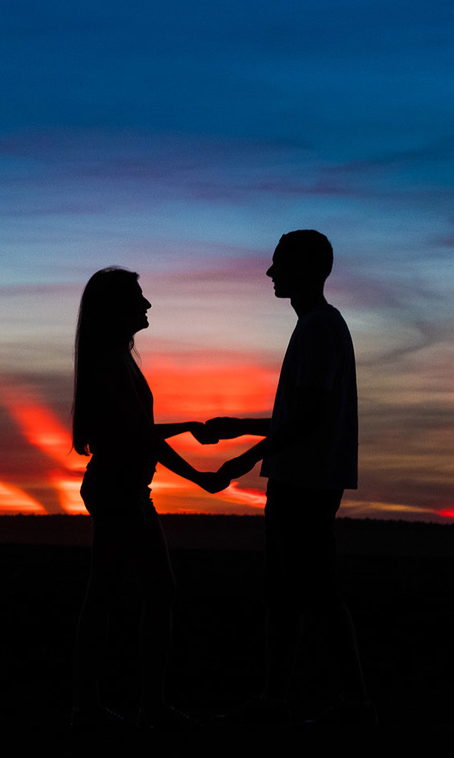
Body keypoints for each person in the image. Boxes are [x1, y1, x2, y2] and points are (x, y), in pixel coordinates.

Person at [205, 230, 374, 726]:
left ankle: (354, 703)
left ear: (307, 269)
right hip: (302, 478)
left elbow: (308, 418)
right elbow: (299, 411)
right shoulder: (318, 327)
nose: (270, 272)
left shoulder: (319, 328)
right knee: (285, 591)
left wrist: (241, 462)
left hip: (307, 481)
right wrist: (239, 427)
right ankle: (276, 698)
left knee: (314, 592)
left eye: (279, 263)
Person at [70, 266, 226, 729]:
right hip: (120, 490)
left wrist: (186, 437)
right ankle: (127, 707)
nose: (148, 304)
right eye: (139, 297)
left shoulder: (116, 359)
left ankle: (106, 705)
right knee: (144, 590)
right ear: (117, 308)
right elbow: (141, 436)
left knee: (121, 592)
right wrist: (198, 471)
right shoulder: (111, 364)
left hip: (128, 489)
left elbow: (138, 433)